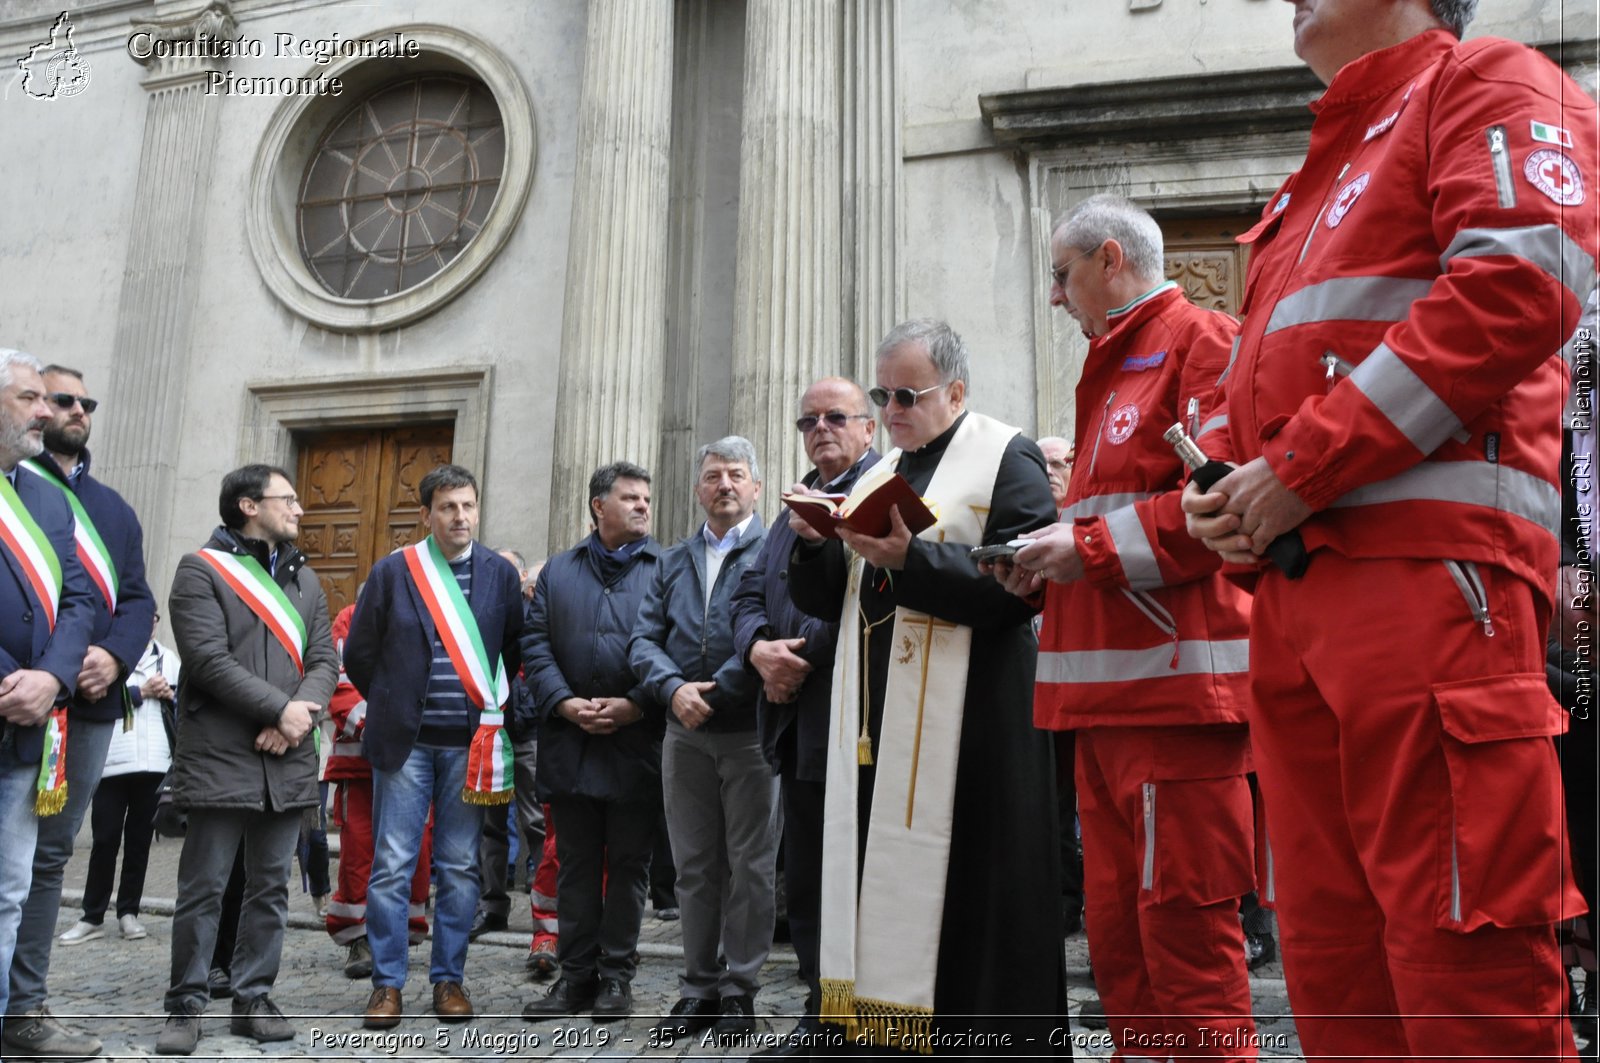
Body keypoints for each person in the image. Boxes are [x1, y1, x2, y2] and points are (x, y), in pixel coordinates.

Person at [1180, 1, 1597, 1055]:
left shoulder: (1488, 79)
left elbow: (1521, 281)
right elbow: (1262, 386)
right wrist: (1224, 490)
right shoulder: (1313, 171)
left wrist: (1296, 468)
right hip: (1297, 602)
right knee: (1333, 959)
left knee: (1464, 954)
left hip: (1430, 591)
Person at [999, 195, 1257, 1057]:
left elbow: (1220, 505)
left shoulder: (1200, 342)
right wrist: (1042, 568)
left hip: (1173, 702)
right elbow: (1114, 520)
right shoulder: (1112, 367)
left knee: (1184, 940)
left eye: (1061, 275)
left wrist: (1088, 546)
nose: (1052, 298)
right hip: (1106, 704)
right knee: (1118, 945)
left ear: (1109, 260)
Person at [787, 320, 1066, 1052]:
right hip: (881, 726)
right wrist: (817, 543)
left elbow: (1023, 591)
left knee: (977, 905)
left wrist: (912, 560)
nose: (891, 411)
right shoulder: (882, 475)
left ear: (957, 391)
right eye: (882, 394)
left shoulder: (1007, 456)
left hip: (977, 730)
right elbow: (836, 601)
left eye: (907, 394)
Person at [159, 463, 338, 1055]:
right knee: (204, 887)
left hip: (285, 756)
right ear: (247, 506)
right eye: (287, 499)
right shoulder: (199, 571)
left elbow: (324, 663)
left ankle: (253, 996)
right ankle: (185, 1004)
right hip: (221, 755)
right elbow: (207, 662)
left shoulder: (305, 582)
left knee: (270, 887)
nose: (299, 510)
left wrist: (296, 717)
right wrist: (277, 711)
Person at [5, 363, 156, 1063]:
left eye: (79, 402)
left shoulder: (113, 506)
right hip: (27, 697)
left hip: (89, 707)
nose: (67, 411)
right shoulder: (26, 487)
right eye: (52, 398)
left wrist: (112, 660)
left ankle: (26, 1003)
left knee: (50, 855)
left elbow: (131, 599)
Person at [729, 377, 878, 1057]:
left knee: (860, 887)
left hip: (859, 722)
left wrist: (800, 659)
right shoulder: (796, 499)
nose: (820, 428)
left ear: (868, 428)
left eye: (835, 417)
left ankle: (868, 1022)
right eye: (808, 420)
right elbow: (751, 591)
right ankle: (825, 1016)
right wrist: (760, 650)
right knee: (814, 887)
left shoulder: (884, 493)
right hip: (795, 726)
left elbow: (867, 599)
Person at [346, 464, 524, 1029]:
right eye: (448, 507)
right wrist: (395, 700)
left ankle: (449, 979)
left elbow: (512, 650)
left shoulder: (498, 573)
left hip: (470, 746)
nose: (461, 517)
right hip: (408, 745)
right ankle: (387, 985)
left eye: (468, 506)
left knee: (459, 865)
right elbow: (360, 653)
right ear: (427, 515)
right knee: (393, 865)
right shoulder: (395, 572)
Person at [630, 437, 776, 1042]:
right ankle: (697, 989)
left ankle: (739, 990)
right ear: (697, 489)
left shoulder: (775, 551)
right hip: (682, 735)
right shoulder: (671, 561)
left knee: (752, 867)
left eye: (736, 475)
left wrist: (716, 689)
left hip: (749, 732)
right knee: (693, 867)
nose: (724, 485)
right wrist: (672, 690)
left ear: (756, 488)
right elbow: (643, 640)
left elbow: (777, 630)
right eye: (713, 475)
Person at [521, 462, 663, 1022]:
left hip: (637, 740)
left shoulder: (666, 568)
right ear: (598, 507)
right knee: (576, 864)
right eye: (631, 498)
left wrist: (638, 702)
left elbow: (673, 643)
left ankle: (617, 979)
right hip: (569, 739)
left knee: (629, 865)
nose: (643, 507)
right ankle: (575, 978)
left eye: (646, 499)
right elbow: (535, 642)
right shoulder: (559, 570)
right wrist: (562, 701)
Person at [0, 349, 97, 1048]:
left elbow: (80, 597)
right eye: (30, 397)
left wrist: (52, 678)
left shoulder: (41, 496)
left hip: (27, 730)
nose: (47, 411)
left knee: (7, 892)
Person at [322, 601, 432, 980]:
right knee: (360, 849)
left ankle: (400, 932)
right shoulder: (351, 616)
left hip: (415, 757)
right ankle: (360, 937)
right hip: (361, 759)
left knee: (416, 850)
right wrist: (378, 725)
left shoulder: (432, 611)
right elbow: (338, 678)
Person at [59, 625, 180, 949]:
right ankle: (92, 915)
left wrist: (171, 695)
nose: (150, 624)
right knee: (105, 840)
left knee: (139, 843)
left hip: (153, 762)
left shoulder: (169, 659)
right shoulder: (108, 658)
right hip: (111, 761)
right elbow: (93, 699)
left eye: (154, 618)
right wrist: (142, 693)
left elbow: (185, 703)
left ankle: (129, 911)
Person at [472, 548, 546, 940]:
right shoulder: (479, 609)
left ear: (519, 576)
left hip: (529, 728)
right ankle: (492, 906)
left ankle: (546, 918)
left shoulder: (536, 608)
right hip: (489, 728)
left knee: (537, 822)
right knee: (490, 825)